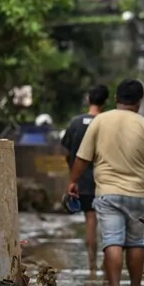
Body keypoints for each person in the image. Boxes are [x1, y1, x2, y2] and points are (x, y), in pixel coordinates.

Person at [68, 79, 144, 286]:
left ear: (116, 98)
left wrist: (73, 181)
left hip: (107, 192)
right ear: (139, 102)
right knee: (135, 242)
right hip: (137, 194)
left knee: (112, 240)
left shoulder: (100, 121)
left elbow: (82, 157)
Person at [61, 84, 109, 271]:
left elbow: (66, 151)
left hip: (83, 180)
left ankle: (92, 265)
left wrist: (74, 174)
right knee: (108, 220)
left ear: (89, 99)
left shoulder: (75, 122)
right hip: (106, 179)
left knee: (90, 219)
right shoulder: (107, 122)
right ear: (106, 101)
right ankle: (108, 262)